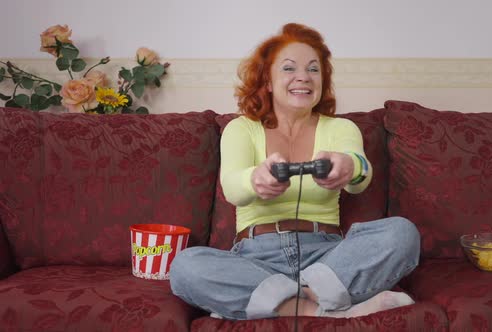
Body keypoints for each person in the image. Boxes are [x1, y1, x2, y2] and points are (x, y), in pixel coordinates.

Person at [170, 22, 420, 320]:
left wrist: (349, 166)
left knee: (401, 233)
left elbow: (360, 176)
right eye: (289, 68)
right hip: (255, 257)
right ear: (268, 81)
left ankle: (273, 303)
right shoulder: (242, 129)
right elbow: (233, 189)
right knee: (185, 266)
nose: (303, 77)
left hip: (328, 259)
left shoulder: (341, 128)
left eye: (314, 69)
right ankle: (329, 311)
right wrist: (255, 179)